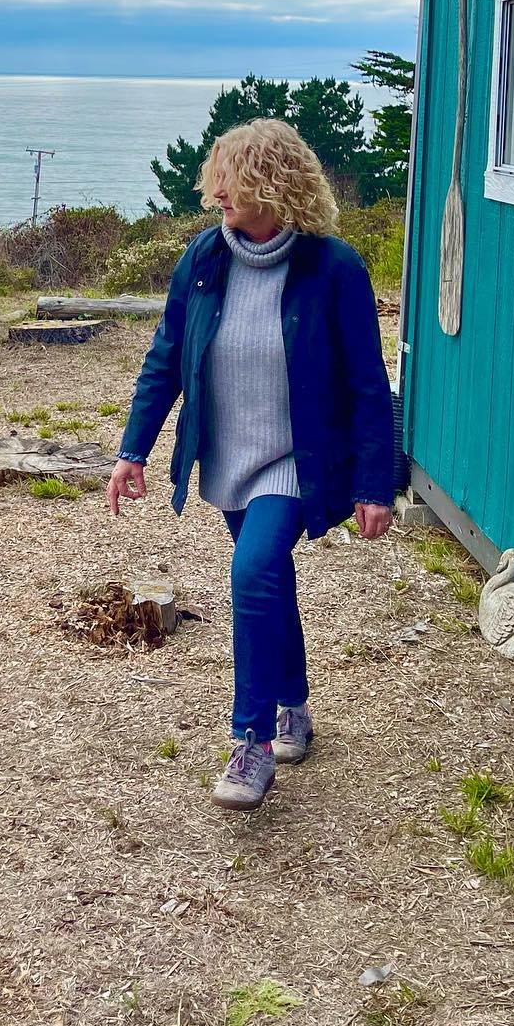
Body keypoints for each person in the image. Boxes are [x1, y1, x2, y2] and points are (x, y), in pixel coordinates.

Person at [107, 118, 395, 810]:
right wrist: (132, 450)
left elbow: (366, 382)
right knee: (268, 580)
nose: (217, 194)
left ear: (272, 183)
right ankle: (293, 702)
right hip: (229, 457)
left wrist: (374, 481)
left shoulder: (335, 270)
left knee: (253, 571)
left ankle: (252, 741)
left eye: (230, 179)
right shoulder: (204, 260)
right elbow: (166, 357)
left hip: (297, 461)